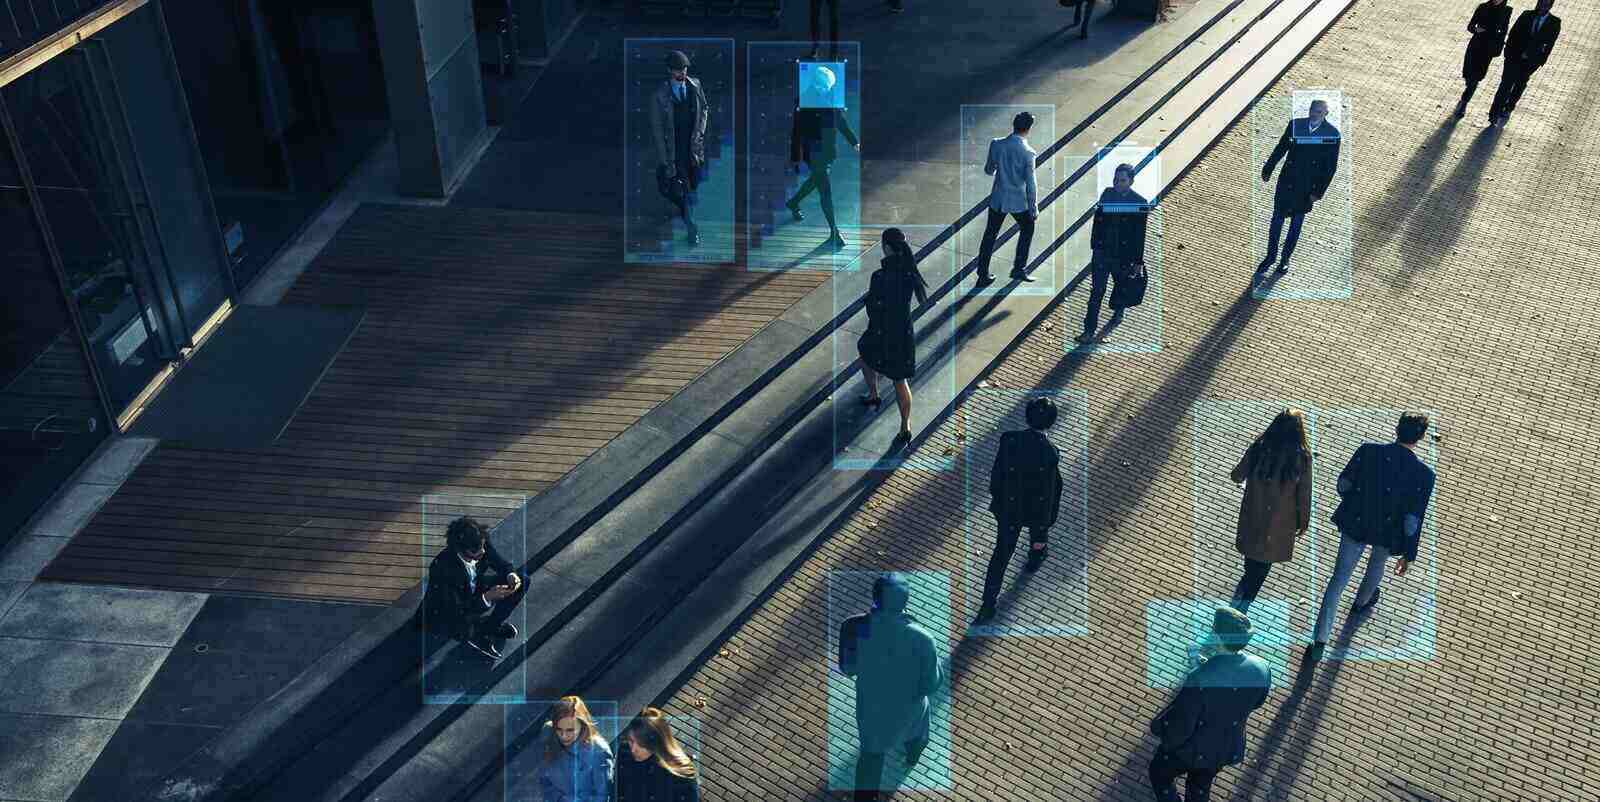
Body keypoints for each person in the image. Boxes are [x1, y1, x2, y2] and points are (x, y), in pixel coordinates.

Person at [1307, 413, 1438, 662]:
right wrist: (1409, 554)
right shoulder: (1424, 475)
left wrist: (1356, 502)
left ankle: (1320, 639)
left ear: (1397, 429)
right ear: (1420, 438)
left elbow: (1344, 484)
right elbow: (1413, 519)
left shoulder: (1368, 451)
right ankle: (1362, 602)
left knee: (1339, 579)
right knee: (1377, 564)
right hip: (1388, 531)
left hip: (1356, 521)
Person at [1148, 606, 1273, 802]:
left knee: (1159, 774)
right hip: (1222, 747)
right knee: (1199, 789)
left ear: (1218, 636)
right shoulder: (1261, 668)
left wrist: (1166, 742)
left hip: (1190, 749)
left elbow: (1182, 726)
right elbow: (1257, 702)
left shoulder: (1199, 679)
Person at [839, 573, 945, 801]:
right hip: (909, 706)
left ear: (875, 598)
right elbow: (931, 684)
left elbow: (848, 668)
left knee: (871, 755)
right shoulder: (923, 638)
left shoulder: (854, 627)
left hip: (871, 705)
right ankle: (911, 757)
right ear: (905, 602)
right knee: (917, 734)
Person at [973, 397, 1064, 626]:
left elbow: (997, 473)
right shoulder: (1050, 453)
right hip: (1034, 510)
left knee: (1001, 556)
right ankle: (1035, 556)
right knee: (1038, 535)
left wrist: (997, 498)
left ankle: (987, 605)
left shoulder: (1009, 439)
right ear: (1050, 424)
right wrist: (1046, 521)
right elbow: (1049, 493)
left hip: (1009, 509)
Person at [1227, 409, 1313, 613]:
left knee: (1250, 565)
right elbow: (1304, 494)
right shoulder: (1302, 458)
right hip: (1279, 525)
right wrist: (1303, 521)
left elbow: (1237, 475)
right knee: (1260, 570)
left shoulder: (1261, 447)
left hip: (1253, 516)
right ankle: (1240, 609)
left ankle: (1239, 602)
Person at [857, 228, 929, 446]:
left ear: (887, 248)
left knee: (864, 352)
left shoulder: (879, 276)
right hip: (902, 333)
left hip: (882, 330)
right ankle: (905, 425)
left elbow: (875, 308)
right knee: (900, 380)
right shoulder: (910, 273)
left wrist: (870, 301)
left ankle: (873, 394)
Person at [422, 516, 526, 660]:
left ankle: (490, 627)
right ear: (460, 549)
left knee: (523, 581)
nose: (482, 552)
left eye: (483, 546)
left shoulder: (479, 542)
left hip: (472, 589)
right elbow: (456, 610)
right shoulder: (442, 568)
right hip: (448, 613)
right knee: (462, 622)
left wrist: (510, 574)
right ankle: (477, 635)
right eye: (476, 550)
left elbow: (498, 560)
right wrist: (487, 597)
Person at [1257, 99, 1339, 275]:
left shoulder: (1332, 134)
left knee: (1296, 224)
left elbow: (1330, 167)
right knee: (1276, 220)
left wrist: (1318, 192)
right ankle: (1270, 256)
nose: (1314, 114)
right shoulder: (1295, 125)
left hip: (1306, 188)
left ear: (1326, 114)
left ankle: (1285, 259)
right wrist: (1268, 167)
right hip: (1287, 180)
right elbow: (1282, 147)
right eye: (1312, 110)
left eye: (1318, 111)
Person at [786, 65, 860, 252]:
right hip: (814, 152)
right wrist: (796, 157)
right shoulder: (803, 101)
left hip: (826, 151)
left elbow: (840, 121)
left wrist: (854, 141)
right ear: (820, 84)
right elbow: (796, 132)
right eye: (827, 85)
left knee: (816, 182)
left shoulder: (828, 98)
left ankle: (793, 202)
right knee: (825, 190)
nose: (828, 88)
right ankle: (834, 231)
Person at [1076, 163, 1149, 345]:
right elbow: (1098, 220)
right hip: (1102, 253)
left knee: (1121, 286)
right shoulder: (1107, 194)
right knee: (1096, 292)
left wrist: (1138, 261)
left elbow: (1140, 234)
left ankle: (1119, 310)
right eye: (1115, 179)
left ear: (1131, 181)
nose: (1117, 183)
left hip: (1123, 257)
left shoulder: (1139, 203)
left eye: (1122, 180)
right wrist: (1095, 245)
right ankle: (1088, 330)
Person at [649, 50, 709, 246]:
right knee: (682, 191)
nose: (681, 73)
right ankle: (692, 229)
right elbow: (658, 131)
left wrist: (700, 133)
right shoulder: (659, 96)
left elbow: (705, 109)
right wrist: (666, 160)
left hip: (693, 149)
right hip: (674, 151)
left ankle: (683, 207)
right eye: (677, 70)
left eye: (683, 69)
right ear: (669, 71)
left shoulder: (695, 84)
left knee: (692, 186)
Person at [974, 111, 1040, 287]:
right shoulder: (1028, 152)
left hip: (998, 198)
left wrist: (1001, 169)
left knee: (990, 235)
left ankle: (982, 273)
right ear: (1028, 129)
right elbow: (1031, 183)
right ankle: (1019, 268)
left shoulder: (996, 144)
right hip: (1018, 201)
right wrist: (1033, 207)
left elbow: (989, 170)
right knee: (1027, 229)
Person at [1488, 0, 1560, 125]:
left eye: (1546, 4)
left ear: (1550, 6)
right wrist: (1508, 52)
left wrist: (1541, 60)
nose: (1542, 6)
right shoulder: (1526, 15)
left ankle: (1509, 107)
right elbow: (1513, 33)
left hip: (1531, 61)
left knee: (1520, 84)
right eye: (1541, 3)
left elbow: (1550, 43)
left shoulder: (1554, 22)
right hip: (1514, 57)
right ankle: (1494, 114)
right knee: (1505, 85)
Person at [534, 696, 614, 802]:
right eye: (559, 729)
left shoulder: (598, 751)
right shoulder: (548, 736)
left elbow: (602, 796)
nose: (563, 735)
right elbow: (544, 782)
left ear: (582, 725)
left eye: (570, 730)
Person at [615, 707, 700, 802]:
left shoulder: (681, 777)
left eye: (642, 745)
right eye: (631, 741)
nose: (633, 750)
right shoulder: (625, 752)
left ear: (656, 744)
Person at [1456, 0, 1513, 119]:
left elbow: (1504, 31)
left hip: (1488, 50)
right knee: (1468, 75)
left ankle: (1464, 102)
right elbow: (1471, 26)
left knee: (1475, 78)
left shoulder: (1506, 11)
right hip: (1475, 46)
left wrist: (1499, 48)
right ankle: (1467, 91)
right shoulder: (1483, 7)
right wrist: (1476, 29)